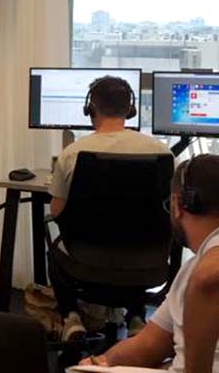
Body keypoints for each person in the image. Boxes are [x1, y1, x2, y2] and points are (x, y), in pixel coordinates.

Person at [49, 75, 172, 340]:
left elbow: (57, 212)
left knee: (54, 247)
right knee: (132, 242)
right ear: (130, 109)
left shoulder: (72, 154)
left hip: (85, 260)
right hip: (148, 260)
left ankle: (71, 318)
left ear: (90, 108)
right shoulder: (163, 154)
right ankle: (136, 317)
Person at [79, 155, 219, 373]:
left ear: (177, 204)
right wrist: (102, 362)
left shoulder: (204, 272)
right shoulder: (191, 269)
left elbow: (208, 278)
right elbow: (148, 344)